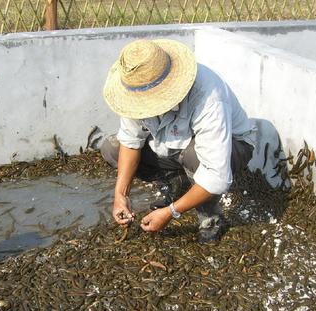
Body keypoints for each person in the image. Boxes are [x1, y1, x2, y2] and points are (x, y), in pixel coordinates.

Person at [100, 39, 255, 242]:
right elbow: (131, 141)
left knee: (194, 156)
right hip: (172, 144)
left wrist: (171, 212)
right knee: (112, 148)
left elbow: (217, 175)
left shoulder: (208, 95)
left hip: (232, 146)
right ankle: (177, 180)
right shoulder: (135, 89)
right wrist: (120, 194)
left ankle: (210, 217)